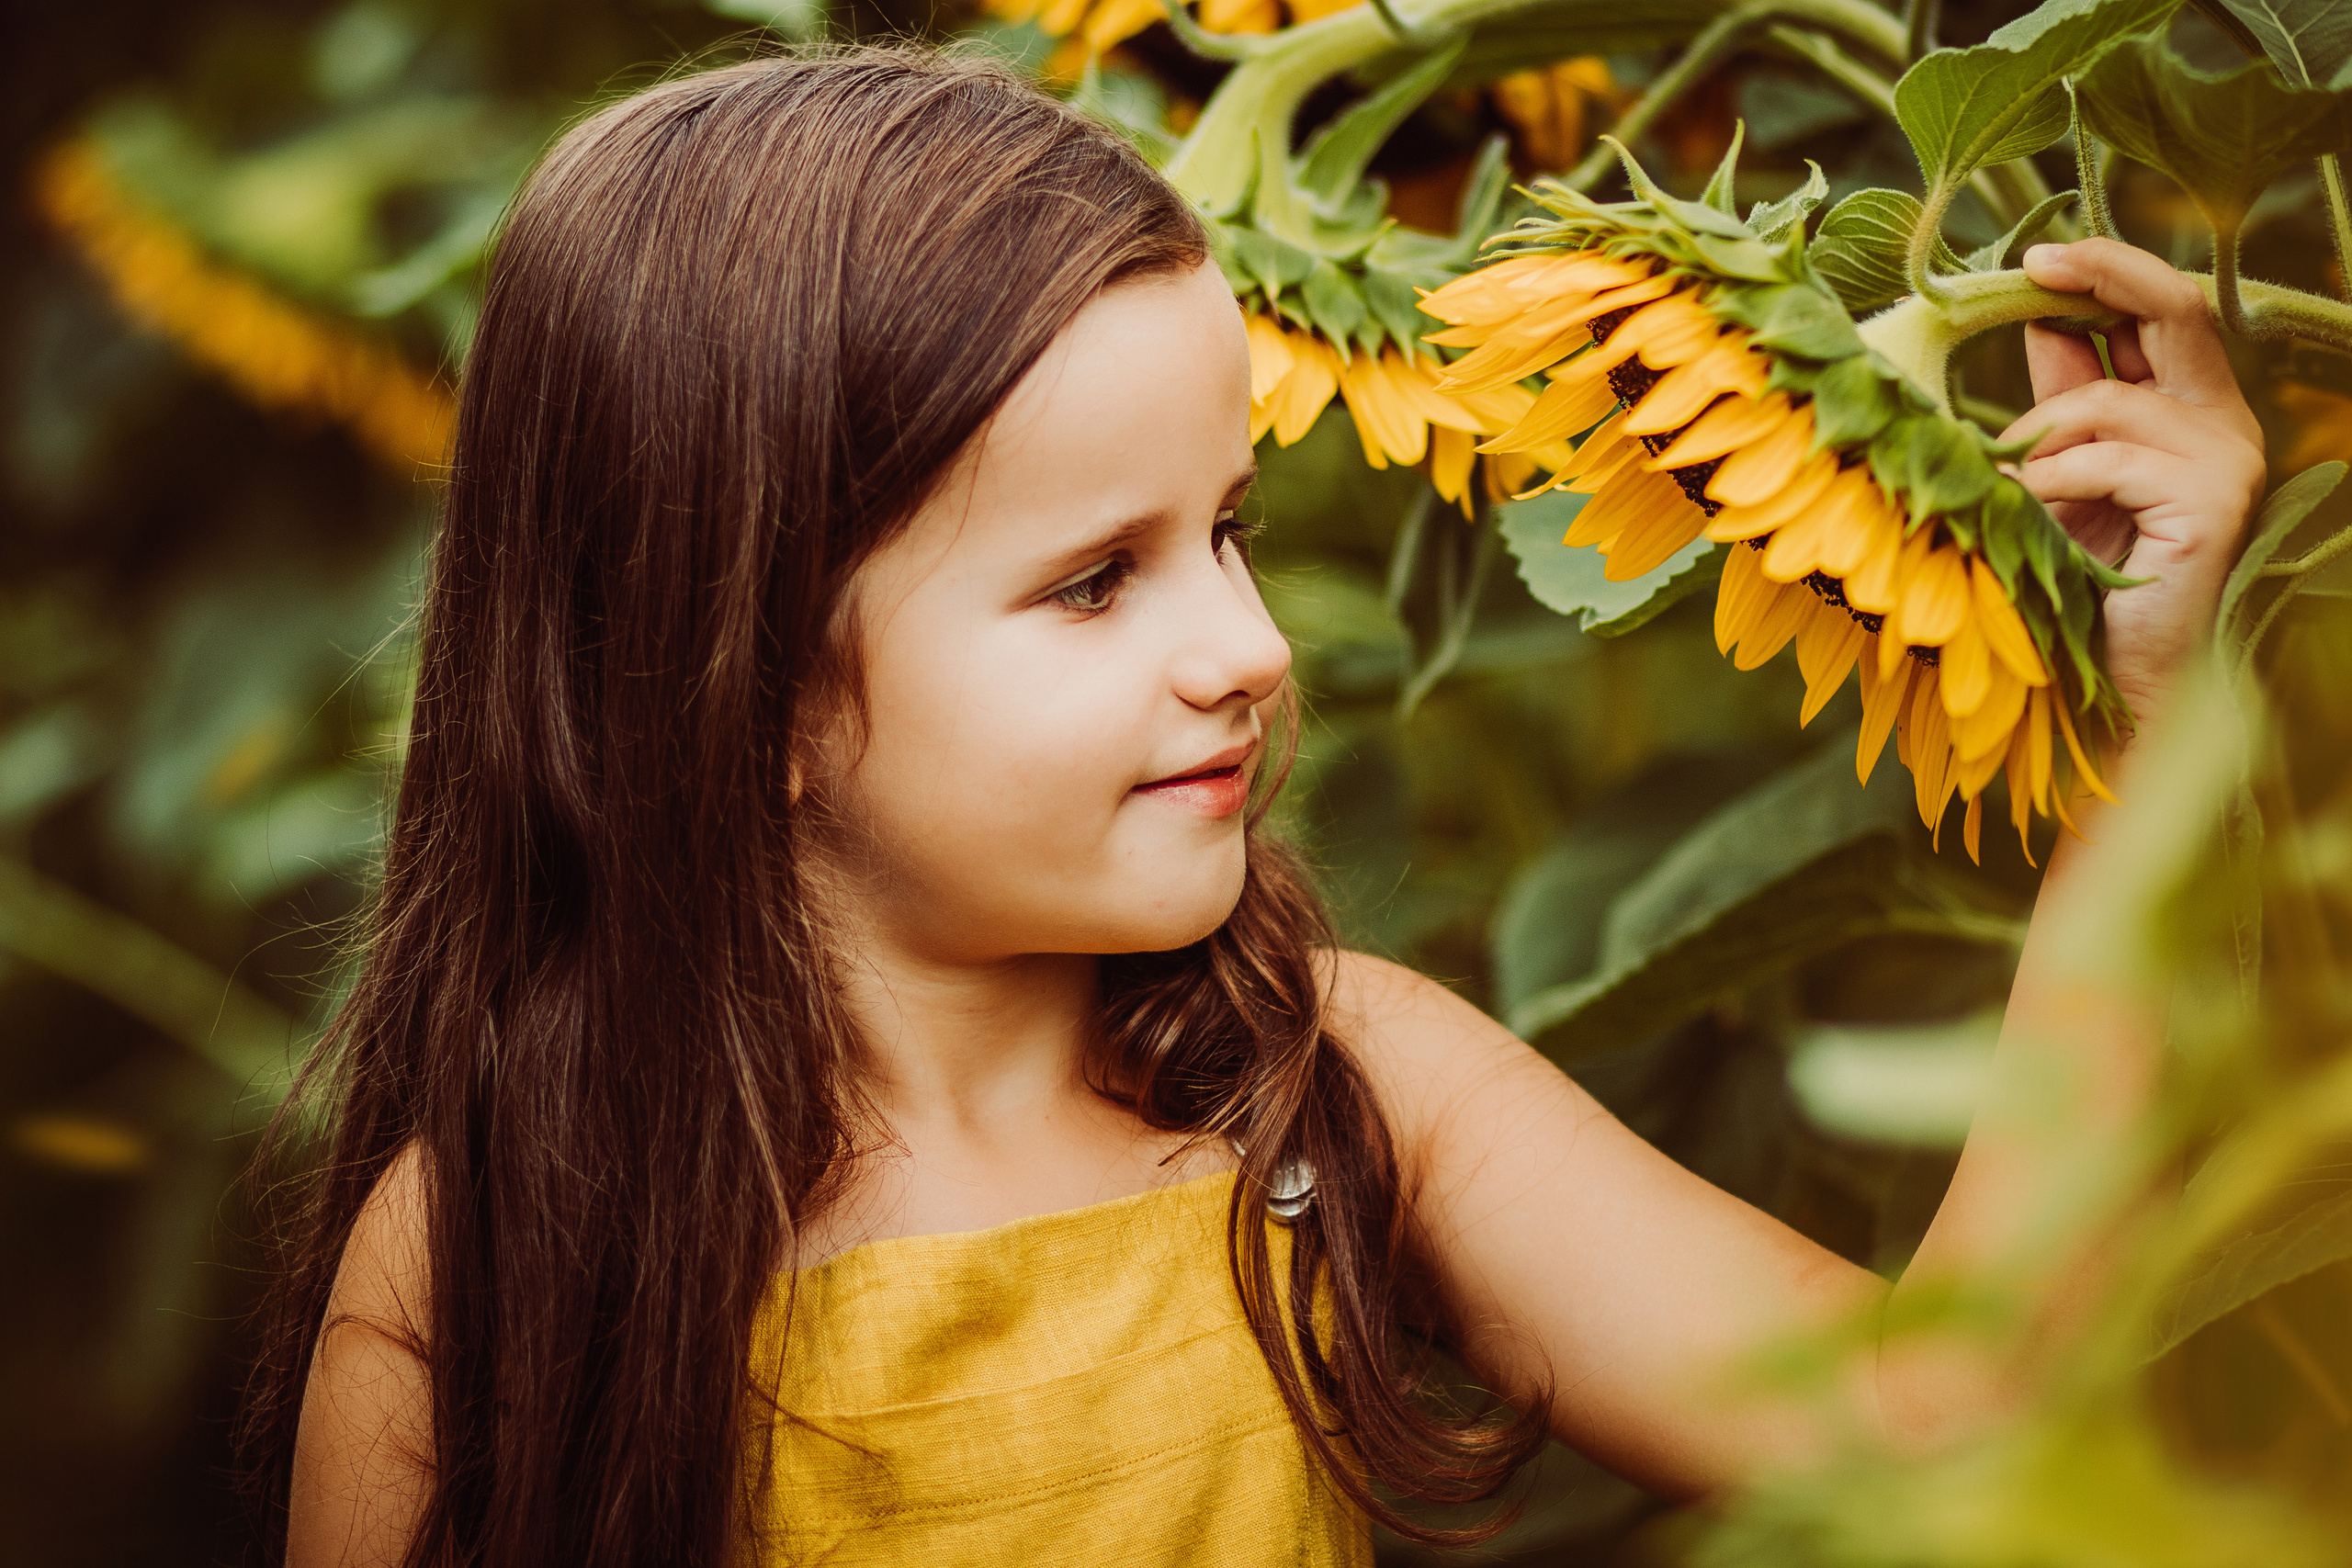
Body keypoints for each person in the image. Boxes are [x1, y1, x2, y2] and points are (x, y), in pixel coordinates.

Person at [243, 43, 2269, 1568]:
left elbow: (1925, 1413)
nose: (1247, 646)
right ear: (740, 676)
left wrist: (2154, 755)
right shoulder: (501, 1247)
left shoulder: (1319, 1081)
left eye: (1227, 530)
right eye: (1092, 578)